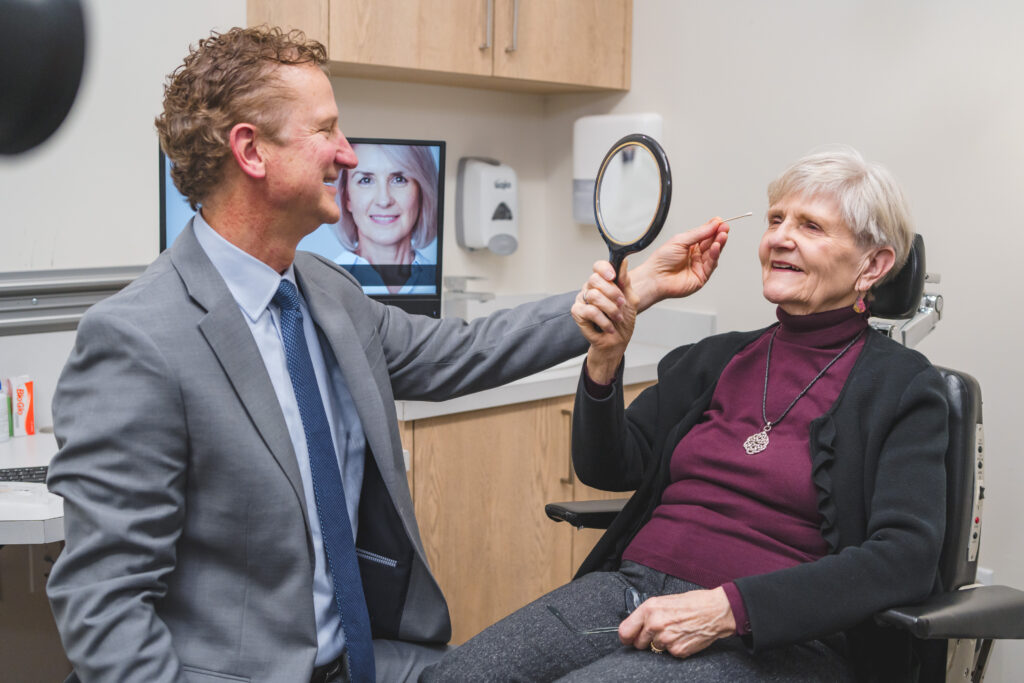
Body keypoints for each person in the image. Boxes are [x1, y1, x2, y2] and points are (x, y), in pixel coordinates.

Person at [43, 25, 714, 683]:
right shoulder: (138, 339)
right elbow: (104, 605)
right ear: (251, 151)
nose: (350, 154)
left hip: (362, 658)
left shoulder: (327, 292)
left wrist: (631, 290)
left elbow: (463, 351)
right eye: (327, 130)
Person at [421, 146, 948, 683]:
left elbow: (905, 557)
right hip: (628, 591)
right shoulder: (715, 359)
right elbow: (608, 469)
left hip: (775, 639)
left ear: (874, 265)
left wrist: (730, 609)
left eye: (810, 226)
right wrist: (604, 361)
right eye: (774, 220)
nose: (779, 238)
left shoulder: (905, 389)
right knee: (449, 677)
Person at [333, 143, 438, 294]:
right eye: (366, 180)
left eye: (399, 179)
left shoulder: (436, 281)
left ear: (421, 192)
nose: (384, 200)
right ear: (346, 197)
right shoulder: (327, 283)